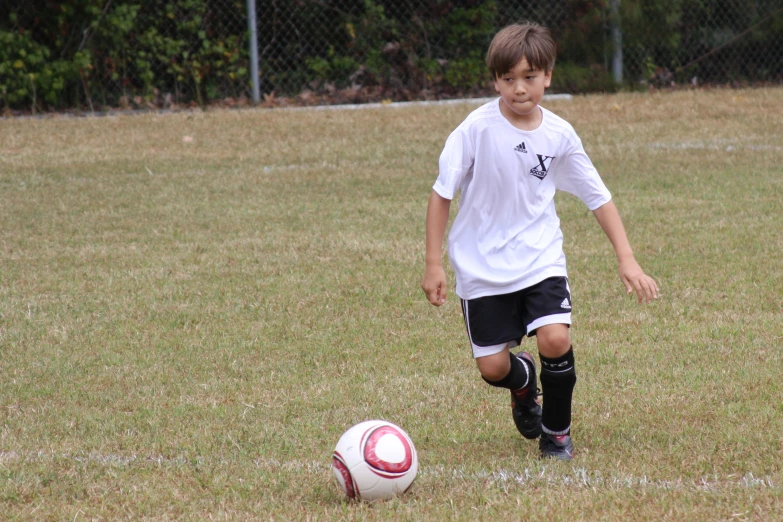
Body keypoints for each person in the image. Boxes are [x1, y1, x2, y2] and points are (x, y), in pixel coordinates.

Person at [420, 22, 658, 460]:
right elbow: (441, 194)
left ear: (548, 75)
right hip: (481, 264)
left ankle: (557, 434)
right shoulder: (475, 129)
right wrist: (434, 263)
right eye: (507, 79)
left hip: (538, 257)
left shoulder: (559, 135)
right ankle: (523, 381)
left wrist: (627, 259)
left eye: (529, 77)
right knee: (493, 369)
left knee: (555, 338)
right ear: (495, 80)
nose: (519, 88)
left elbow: (597, 197)